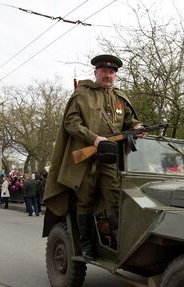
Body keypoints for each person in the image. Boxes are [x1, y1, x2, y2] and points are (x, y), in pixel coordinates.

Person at [43, 54, 141, 261]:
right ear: (96, 72)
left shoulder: (121, 99)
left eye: (112, 72)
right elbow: (71, 123)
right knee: (84, 199)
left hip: (110, 158)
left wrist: (138, 128)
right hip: (85, 158)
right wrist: (94, 139)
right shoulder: (82, 95)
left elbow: (132, 122)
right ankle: (85, 246)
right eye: (104, 71)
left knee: (114, 196)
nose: (108, 75)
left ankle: (116, 242)